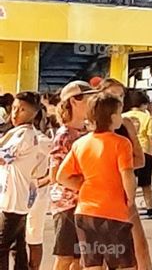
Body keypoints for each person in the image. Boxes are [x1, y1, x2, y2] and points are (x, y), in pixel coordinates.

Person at [56, 93, 137, 270]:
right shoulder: (121, 143)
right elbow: (127, 175)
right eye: (120, 112)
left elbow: (61, 176)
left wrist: (83, 186)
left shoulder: (80, 143)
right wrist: (130, 197)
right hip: (113, 211)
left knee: (92, 264)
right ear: (112, 117)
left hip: (85, 212)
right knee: (124, 264)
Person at [100, 79, 152, 270]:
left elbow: (140, 159)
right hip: (100, 197)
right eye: (113, 95)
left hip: (124, 192)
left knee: (139, 248)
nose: (118, 100)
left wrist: (121, 166)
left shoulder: (127, 123)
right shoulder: (91, 128)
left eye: (121, 95)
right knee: (102, 253)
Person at [49, 81, 94, 270]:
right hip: (67, 205)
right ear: (75, 101)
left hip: (84, 205)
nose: (93, 101)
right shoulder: (64, 135)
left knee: (79, 260)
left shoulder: (85, 132)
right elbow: (55, 174)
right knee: (65, 257)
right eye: (89, 97)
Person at [0, 92, 44, 270]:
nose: (16, 113)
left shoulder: (23, 135)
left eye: (22, 110)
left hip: (14, 199)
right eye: (15, 108)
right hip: (19, 197)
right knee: (17, 246)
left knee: (2, 245)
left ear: (33, 113)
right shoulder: (20, 133)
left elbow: (3, 157)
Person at [24, 104, 53, 270]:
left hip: (36, 192)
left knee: (33, 236)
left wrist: (39, 183)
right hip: (22, 190)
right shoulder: (17, 136)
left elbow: (52, 171)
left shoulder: (43, 141)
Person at [123, 90, 152, 219]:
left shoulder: (124, 116)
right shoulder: (147, 117)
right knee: (146, 184)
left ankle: (128, 206)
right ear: (143, 104)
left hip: (127, 152)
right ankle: (149, 209)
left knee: (129, 181)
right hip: (144, 152)